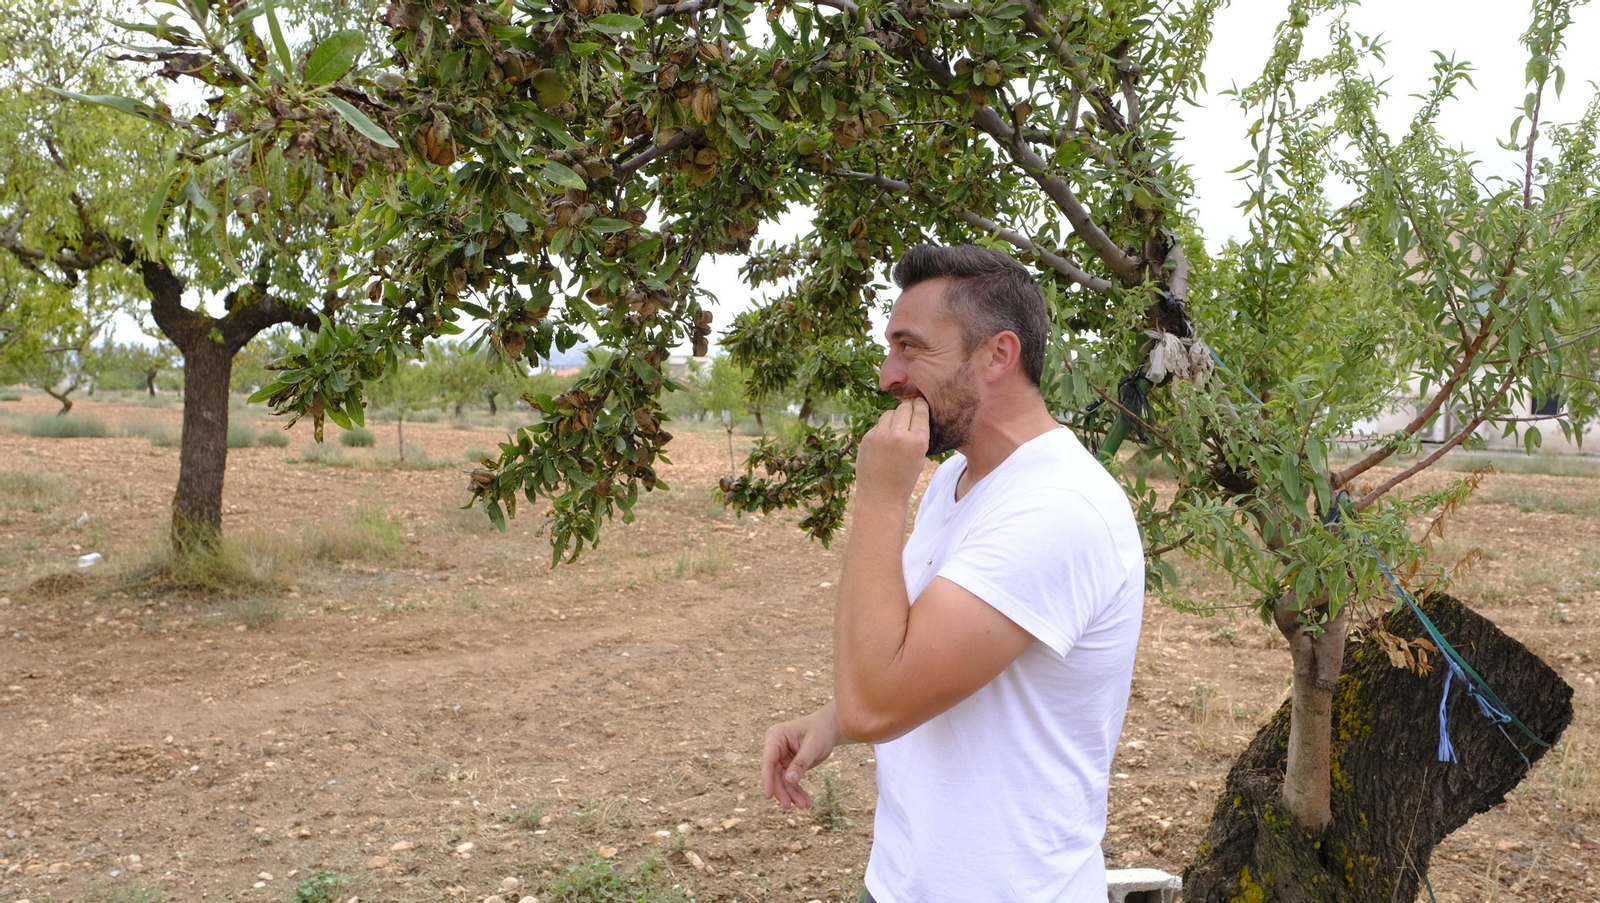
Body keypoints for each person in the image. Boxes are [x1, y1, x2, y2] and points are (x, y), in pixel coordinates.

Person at [759, 245, 1145, 902]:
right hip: (901, 881)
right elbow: (919, 655)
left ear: (998, 355)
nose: (889, 375)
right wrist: (832, 720)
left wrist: (878, 496)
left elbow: (877, 702)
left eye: (910, 348)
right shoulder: (958, 479)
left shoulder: (1057, 508)